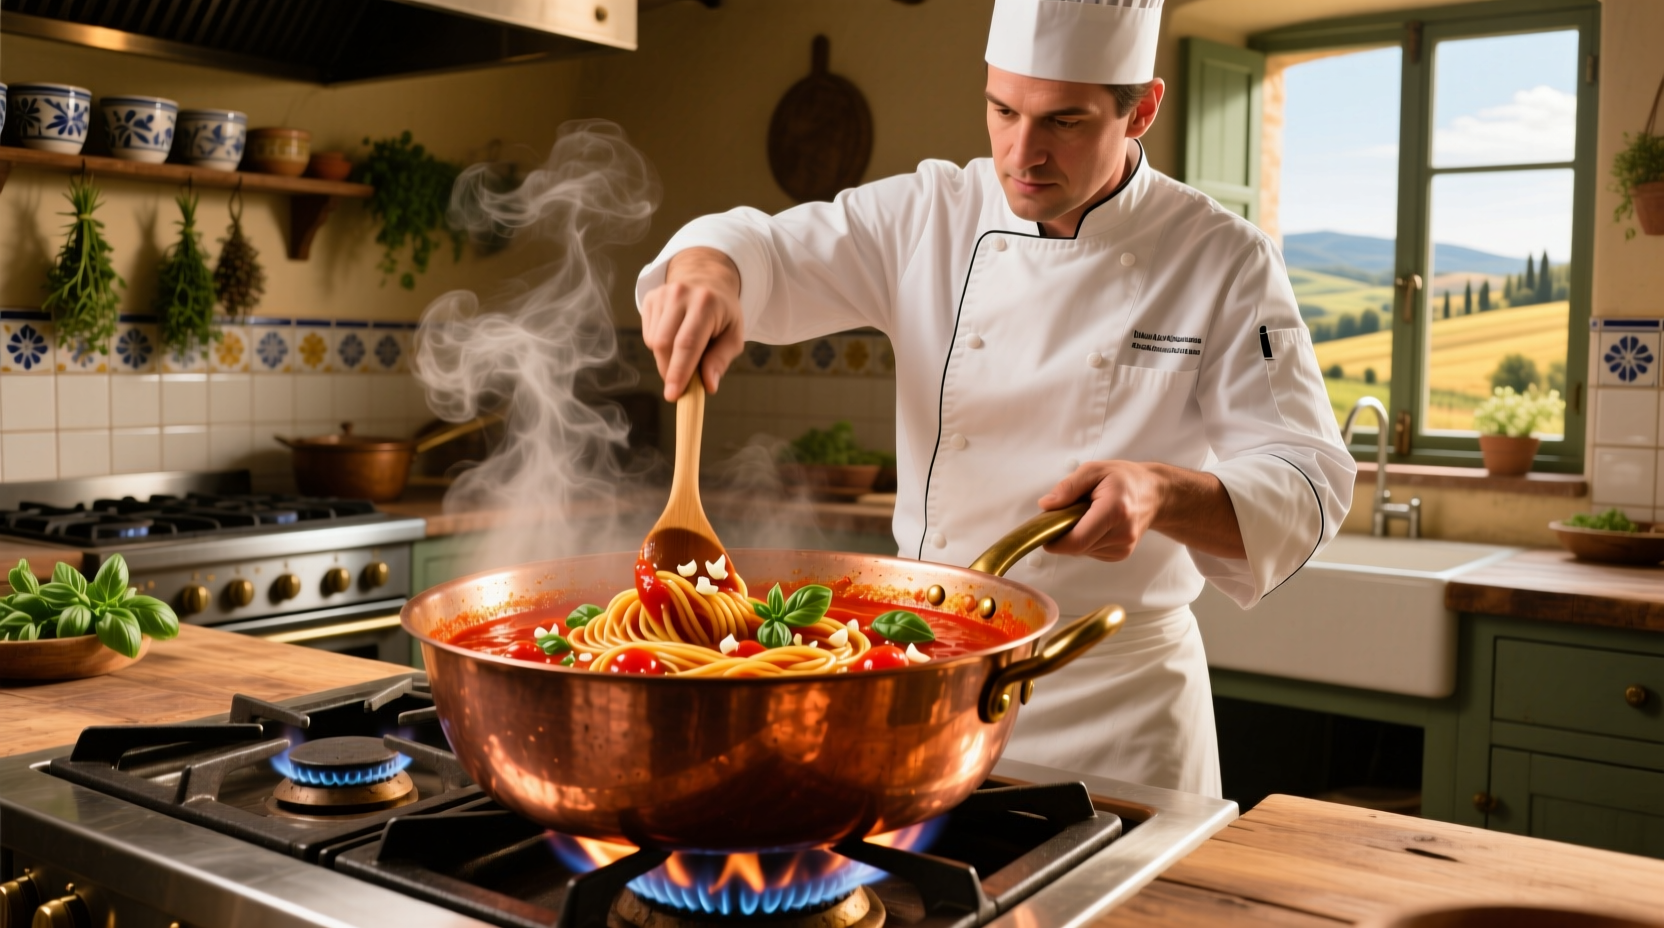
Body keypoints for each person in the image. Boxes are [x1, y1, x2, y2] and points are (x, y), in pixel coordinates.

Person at [636, 0, 1354, 797]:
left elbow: (1309, 482)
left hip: (1115, 707)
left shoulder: (1222, 259)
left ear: (1141, 110)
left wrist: (1161, 492)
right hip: (928, 683)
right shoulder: (931, 214)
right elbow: (761, 246)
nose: (1023, 153)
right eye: (1003, 110)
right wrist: (707, 273)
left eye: (1065, 122)